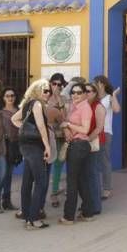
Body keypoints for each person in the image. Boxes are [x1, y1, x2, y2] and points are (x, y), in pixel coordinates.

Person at [10, 80, 51, 230]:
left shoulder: (27, 104)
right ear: (37, 91)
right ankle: (34, 219)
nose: (48, 94)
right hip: (35, 146)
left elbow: (14, 119)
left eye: (49, 91)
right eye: (45, 91)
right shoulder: (37, 104)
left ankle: (27, 216)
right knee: (41, 181)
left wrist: (26, 127)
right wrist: (47, 146)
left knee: (27, 181)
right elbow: (41, 126)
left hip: (25, 146)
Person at [58, 82, 95, 224]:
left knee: (72, 182)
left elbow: (85, 129)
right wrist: (67, 127)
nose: (75, 95)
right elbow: (66, 122)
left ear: (85, 94)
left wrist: (68, 125)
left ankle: (68, 216)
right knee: (81, 181)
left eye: (79, 92)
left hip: (79, 146)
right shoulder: (75, 106)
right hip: (78, 146)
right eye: (73, 92)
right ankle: (87, 213)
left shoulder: (85, 107)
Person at [0, 87, 20, 213]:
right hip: (1, 146)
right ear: (3, 98)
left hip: (14, 146)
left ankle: (6, 201)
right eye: (7, 96)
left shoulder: (19, 111)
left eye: (12, 95)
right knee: (2, 174)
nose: (10, 98)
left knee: (8, 175)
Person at [93, 75, 120, 200]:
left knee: (104, 161)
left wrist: (114, 95)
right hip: (93, 132)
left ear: (102, 84)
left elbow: (116, 110)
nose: (94, 85)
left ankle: (107, 188)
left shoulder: (108, 97)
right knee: (93, 160)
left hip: (105, 132)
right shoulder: (93, 98)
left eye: (96, 83)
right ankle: (94, 186)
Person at [47, 73, 68, 208]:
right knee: (48, 164)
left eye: (59, 84)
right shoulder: (46, 99)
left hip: (62, 135)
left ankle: (54, 192)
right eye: (54, 83)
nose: (56, 86)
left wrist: (60, 102)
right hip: (49, 136)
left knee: (59, 162)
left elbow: (65, 118)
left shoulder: (64, 99)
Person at [84, 83, 106, 214]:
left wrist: (87, 140)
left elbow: (99, 128)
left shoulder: (98, 107)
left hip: (94, 143)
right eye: (85, 91)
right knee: (86, 175)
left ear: (95, 93)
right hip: (85, 143)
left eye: (89, 91)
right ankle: (89, 203)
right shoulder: (84, 105)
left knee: (93, 174)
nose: (86, 93)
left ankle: (96, 206)